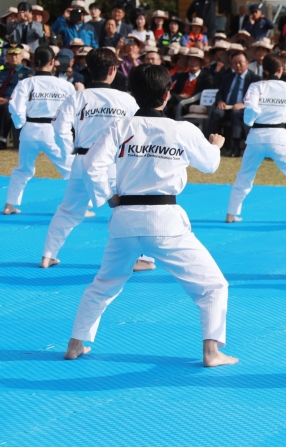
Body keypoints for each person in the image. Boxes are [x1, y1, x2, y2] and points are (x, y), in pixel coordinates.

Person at [64, 63, 235, 367]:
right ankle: (211, 351)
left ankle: (76, 343)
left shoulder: (119, 127)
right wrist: (215, 146)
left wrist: (107, 197)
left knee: (104, 283)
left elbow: (92, 167)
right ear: (168, 94)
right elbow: (209, 165)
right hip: (165, 221)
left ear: (132, 93)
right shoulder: (182, 130)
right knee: (213, 286)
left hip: (124, 218)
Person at [42, 48, 155, 270]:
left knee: (68, 211)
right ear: (113, 70)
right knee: (128, 209)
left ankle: (48, 254)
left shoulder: (77, 97)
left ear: (89, 70)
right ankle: (140, 258)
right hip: (114, 163)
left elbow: (59, 127)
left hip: (82, 160)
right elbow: (141, 130)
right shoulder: (127, 100)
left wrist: (69, 150)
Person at [226, 54, 286, 223]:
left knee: (245, 175)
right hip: (278, 138)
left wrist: (252, 119)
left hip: (256, 137)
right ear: (280, 70)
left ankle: (231, 213)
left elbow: (249, 110)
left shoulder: (256, 86)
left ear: (264, 70)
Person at [4, 46, 75, 215]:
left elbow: (15, 106)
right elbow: (72, 110)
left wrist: (20, 124)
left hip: (30, 130)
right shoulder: (65, 85)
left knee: (23, 169)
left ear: (35, 63)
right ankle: (79, 206)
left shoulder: (26, 83)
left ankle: (9, 205)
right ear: (52, 63)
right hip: (54, 131)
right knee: (70, 167)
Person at [207, 50, 261, 157]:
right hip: (227, 107)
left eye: (240, 62)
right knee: (215, 113)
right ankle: (210, 144)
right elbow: (220, 92)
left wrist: (244, 104)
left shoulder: (255, 79)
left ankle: (236, 146)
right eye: (235, 63)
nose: (238, 65)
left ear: (247, 62)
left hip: (243, 109)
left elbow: (259, 98)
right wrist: (220, 101)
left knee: (235, 114)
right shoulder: (227, 77)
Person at [167, 48, 213, 118]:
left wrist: (188, 96)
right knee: (167, 104)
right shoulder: (182, 76)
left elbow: (205, 93)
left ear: (200, 62)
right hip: (177, 100)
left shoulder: (207, 77)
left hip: (193, 102)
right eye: (190, 59)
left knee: (173, 106)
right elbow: (175, 90)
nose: (192, 62)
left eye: (196, 60)